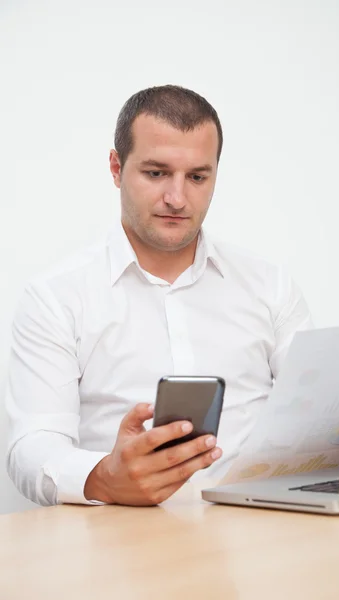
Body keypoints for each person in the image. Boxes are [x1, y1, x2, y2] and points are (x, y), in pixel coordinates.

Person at [6, 85, 314, 508]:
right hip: (119, 542)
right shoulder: (55, 297)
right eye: (155, 173)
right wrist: (102, 477)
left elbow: (314, 411)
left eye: (197, 177)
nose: (177, 198)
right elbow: (32, 446)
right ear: (116, 168)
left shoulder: (270, 285)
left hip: (256, 531)